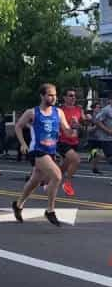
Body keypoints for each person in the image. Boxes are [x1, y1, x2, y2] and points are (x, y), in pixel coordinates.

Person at [13, 83, 75, 227]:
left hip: (51, 151)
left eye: (55, 95)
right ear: (42, 96)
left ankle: (18, 204)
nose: (53, 98)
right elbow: (18, 126)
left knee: (34, 182)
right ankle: (50, 210)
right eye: (50, 95)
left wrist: (75, 127)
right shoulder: (32, 112)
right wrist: (23, 143)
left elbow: (67, 131)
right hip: (37, 150)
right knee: (57, 175)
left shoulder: (58, 112)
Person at [57, 89, 89, 196]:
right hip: (62, 140)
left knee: (65, 165)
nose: (73, 98)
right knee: (76, 160)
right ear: (65, 98)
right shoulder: (60, 110)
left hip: (74, 141)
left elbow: (83, 123)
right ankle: (67, 183)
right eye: (70, 95)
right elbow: (56, 125)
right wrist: (69, 125)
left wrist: (86, 120)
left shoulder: (79, 109)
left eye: (74, 96)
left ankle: (50, 180)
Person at [95, 93, 112, 185]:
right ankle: (97, 155)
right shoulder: (106, 110)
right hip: (107, 139)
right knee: (110, 159)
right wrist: (108, 130)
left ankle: (98, 154)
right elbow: (97, 120)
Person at [87, 103, 103, 174]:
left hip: (100, 138)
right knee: (97, 154)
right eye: (97, 107)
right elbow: (89, 129)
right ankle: (93, 166)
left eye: (100, 107)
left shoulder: (101, 117)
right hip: (92, 139)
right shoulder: (90, 117)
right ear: (93, 108)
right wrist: (97, 126)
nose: (99, 109)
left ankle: (94, 167)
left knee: (98, 155)